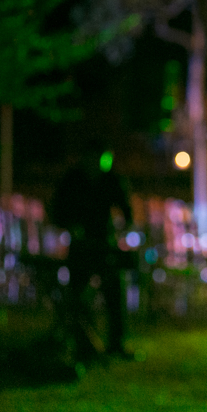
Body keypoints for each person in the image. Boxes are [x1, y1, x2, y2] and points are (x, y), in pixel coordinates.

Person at [50, 142, 134, 361]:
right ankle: (81, 340)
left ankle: (115, 343)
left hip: (104, 244)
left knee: (114, 294)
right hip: (81, 245)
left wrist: (121, 228)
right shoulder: (73, 179)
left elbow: (126, 209)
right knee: (77, 295)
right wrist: (70, 226)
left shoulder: (111, 179)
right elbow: (57, 209)